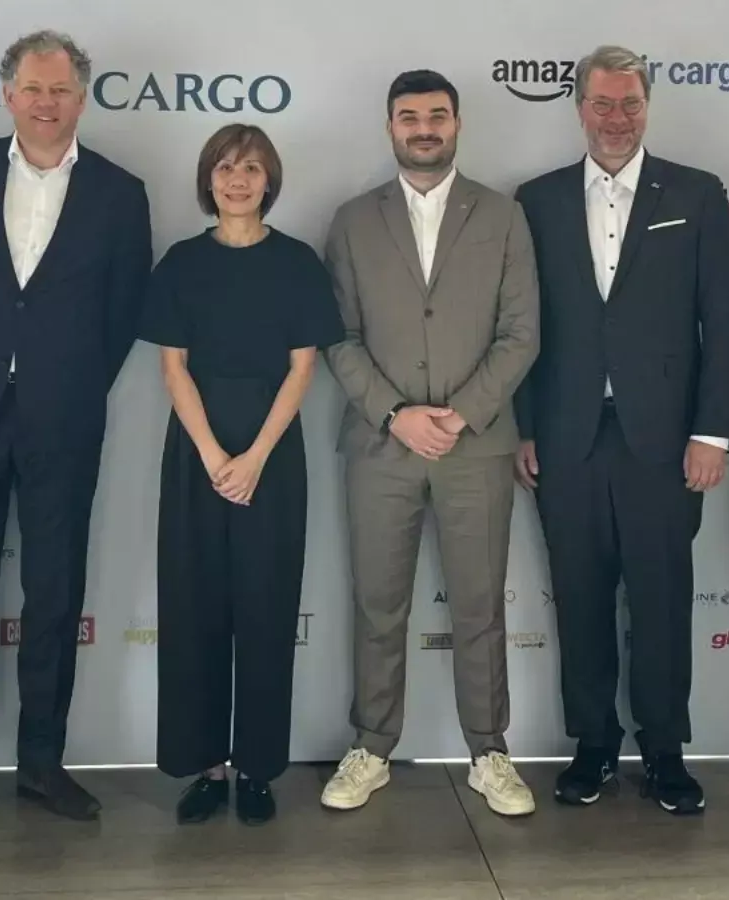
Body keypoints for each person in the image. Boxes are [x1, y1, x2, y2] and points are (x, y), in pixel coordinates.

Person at [0, 29, 152, 834]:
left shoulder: (120, 192)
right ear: (8, 94)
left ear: (83, 98)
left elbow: (124, 311)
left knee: (54, 594)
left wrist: (68, 383)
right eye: (34, 88)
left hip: (63, 420)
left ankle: (43, 763)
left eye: (62, 89)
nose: (47, 102)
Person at [512, 45, 729, 813]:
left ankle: (666, 750)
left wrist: (713, 432)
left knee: (661, 599)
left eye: (631, 104)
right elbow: (519, 326)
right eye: (603, 104)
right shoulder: (536, 200)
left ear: (648, 107)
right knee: (579, 598)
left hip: (666, 440)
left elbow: (725, 323)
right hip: (566, 435)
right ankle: (593, 745)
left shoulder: (698, 193)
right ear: (579, 107)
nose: (617, 118)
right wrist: (525, 427)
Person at [319, 69, 540, 817]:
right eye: (409, 117)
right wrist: (396, 415)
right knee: (378, 604)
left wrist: (460, 413)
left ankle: (490, 751)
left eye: (437, 116)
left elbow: (521, 333)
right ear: (390, 127)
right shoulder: (353, 219)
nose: (424, 128)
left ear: (457, 124)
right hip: (381, 448)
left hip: (475, 446)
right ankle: (371, 746)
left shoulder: (503, 216)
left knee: (479, 605)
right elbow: (339, 336)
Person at [144, 124, 343, 826]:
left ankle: (257, 768)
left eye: (252, 168)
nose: (237, 180)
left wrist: (254, 458)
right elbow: (173, 368)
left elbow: (303, 368)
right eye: (225, 167)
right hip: (195, 456)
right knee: (194, 610)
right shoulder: (181, 263)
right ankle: (205, 767)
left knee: (265, 610)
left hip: (272, 458)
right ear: (209, 179)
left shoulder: (296, 262)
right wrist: (212, 456)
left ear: (269, 180)